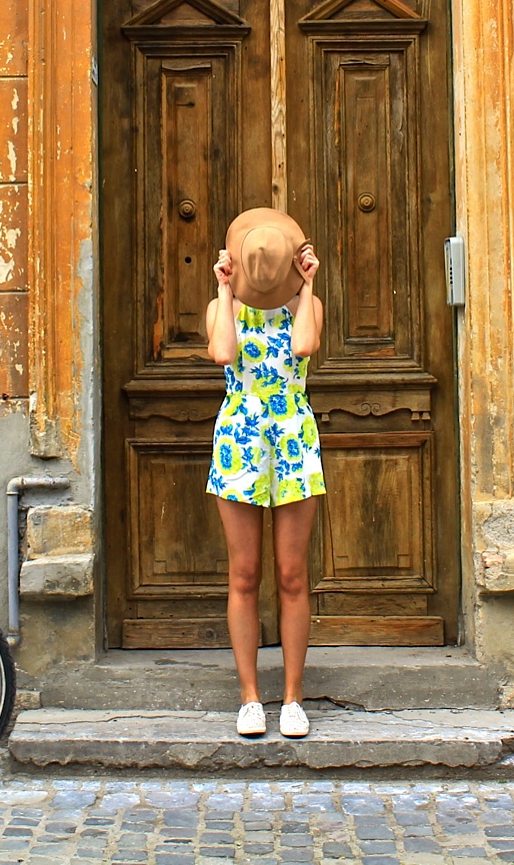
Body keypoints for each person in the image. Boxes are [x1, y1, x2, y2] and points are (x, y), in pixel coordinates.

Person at [205, 207, 325, 739]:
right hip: (239, 439)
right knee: (244, 574)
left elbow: (303, 347)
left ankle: (293, 698)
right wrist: (226, 293)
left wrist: (308, 286)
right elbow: (223, 353)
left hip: (294, 437)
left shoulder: (309, 306)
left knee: (293, 576)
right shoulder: (219, 308)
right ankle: (250, 697)